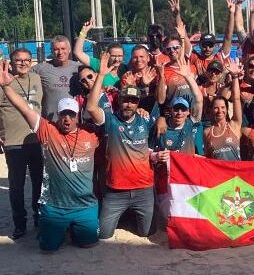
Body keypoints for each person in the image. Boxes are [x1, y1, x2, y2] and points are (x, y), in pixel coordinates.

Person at [0, 61, 99, 252]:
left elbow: (101, 112)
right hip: (55, 206)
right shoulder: (48, 130)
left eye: (71, 115)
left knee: (88, 243)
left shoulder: (91, 134)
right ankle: (56, 226)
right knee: (48, 247)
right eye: (63, 114)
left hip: (84, 205)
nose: (67, 119)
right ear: (58, 116)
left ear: (78, 116)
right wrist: (6, 87)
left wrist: (100, 75)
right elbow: (25, 109)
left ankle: (73, 226)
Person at [85, 53, 161, 240]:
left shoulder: (145, 119)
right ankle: (124, 214)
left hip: (144, 189)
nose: (129, 104)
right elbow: (91, 107)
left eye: (133, 101)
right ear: (119, 100)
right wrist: (101, 75)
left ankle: (130, 215)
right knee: (103, 234)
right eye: (125, 100)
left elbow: (161, 104)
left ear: (138, 103)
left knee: (147, 232)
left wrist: (163, 118)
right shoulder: (110, 120)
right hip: (115, 190)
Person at [0, 48, 43, 239]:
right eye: (19, 60)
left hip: (36, 139)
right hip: (14, 141)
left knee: (39, 183)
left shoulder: (37, 79)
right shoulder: (3, 81)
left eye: (27, 60)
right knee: (16, 186)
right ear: (11, 61)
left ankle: (39, 218)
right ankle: (19, 223)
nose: (23, 63)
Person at [151, 55, 204, 155]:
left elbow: (199, 99)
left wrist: (187, 77)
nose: (179, 113)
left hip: (187, 169)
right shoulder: (162, 127)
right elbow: (151, 151)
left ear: (188, 112)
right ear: (170, 110)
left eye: (183, 109)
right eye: (176, 109)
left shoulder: (191, 123)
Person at [32, 35, 82, 120]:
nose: (60, 52)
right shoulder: (41, 68)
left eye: (63, 49)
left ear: (69, 50)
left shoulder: (79, 68)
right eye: (56, 49)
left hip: (75, 123)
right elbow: (21, 74)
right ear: (51, 51)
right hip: (51, 122)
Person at [204, 62, 244, 160]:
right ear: (212, 111)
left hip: (235, 174)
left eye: (222, 107)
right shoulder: (207, 132)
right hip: (217, 175)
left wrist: (235, 77)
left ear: (227, 109)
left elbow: (236, 99)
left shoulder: (234, 125)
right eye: (216, 108)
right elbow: (208, 159)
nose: (220, 111)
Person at [74, 18, 128, 87]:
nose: (117, 59)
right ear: (107, 55)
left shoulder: (125, 69)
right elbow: (77, 52)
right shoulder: (99, 65)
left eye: (119, 56)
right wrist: (84, 30)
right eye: (113, 56)